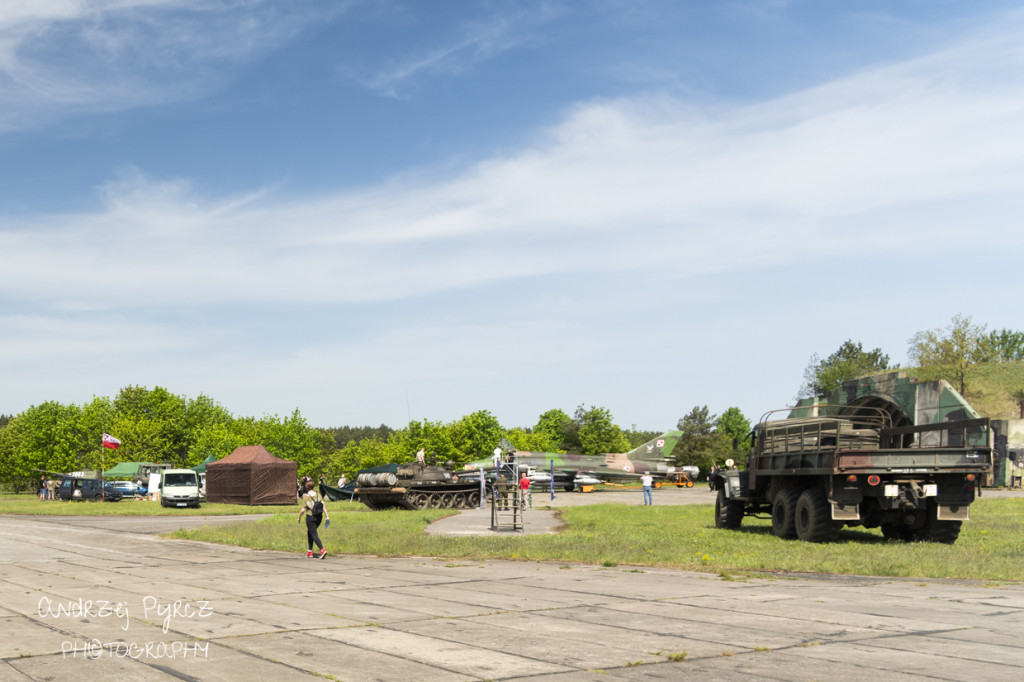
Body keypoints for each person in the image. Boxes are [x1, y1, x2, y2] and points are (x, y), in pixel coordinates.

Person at [297, 480, 329, 559]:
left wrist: (299, 518)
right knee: (310, 532)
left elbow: (303, 509)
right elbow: (323, 506)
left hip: (310, 517)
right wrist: (327, 516)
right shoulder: (318, 494)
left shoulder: (305, 496)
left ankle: (322, 549)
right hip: (319, 517)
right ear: (313, 486)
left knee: (314, 534)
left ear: (306, 487)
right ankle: (309, 551)